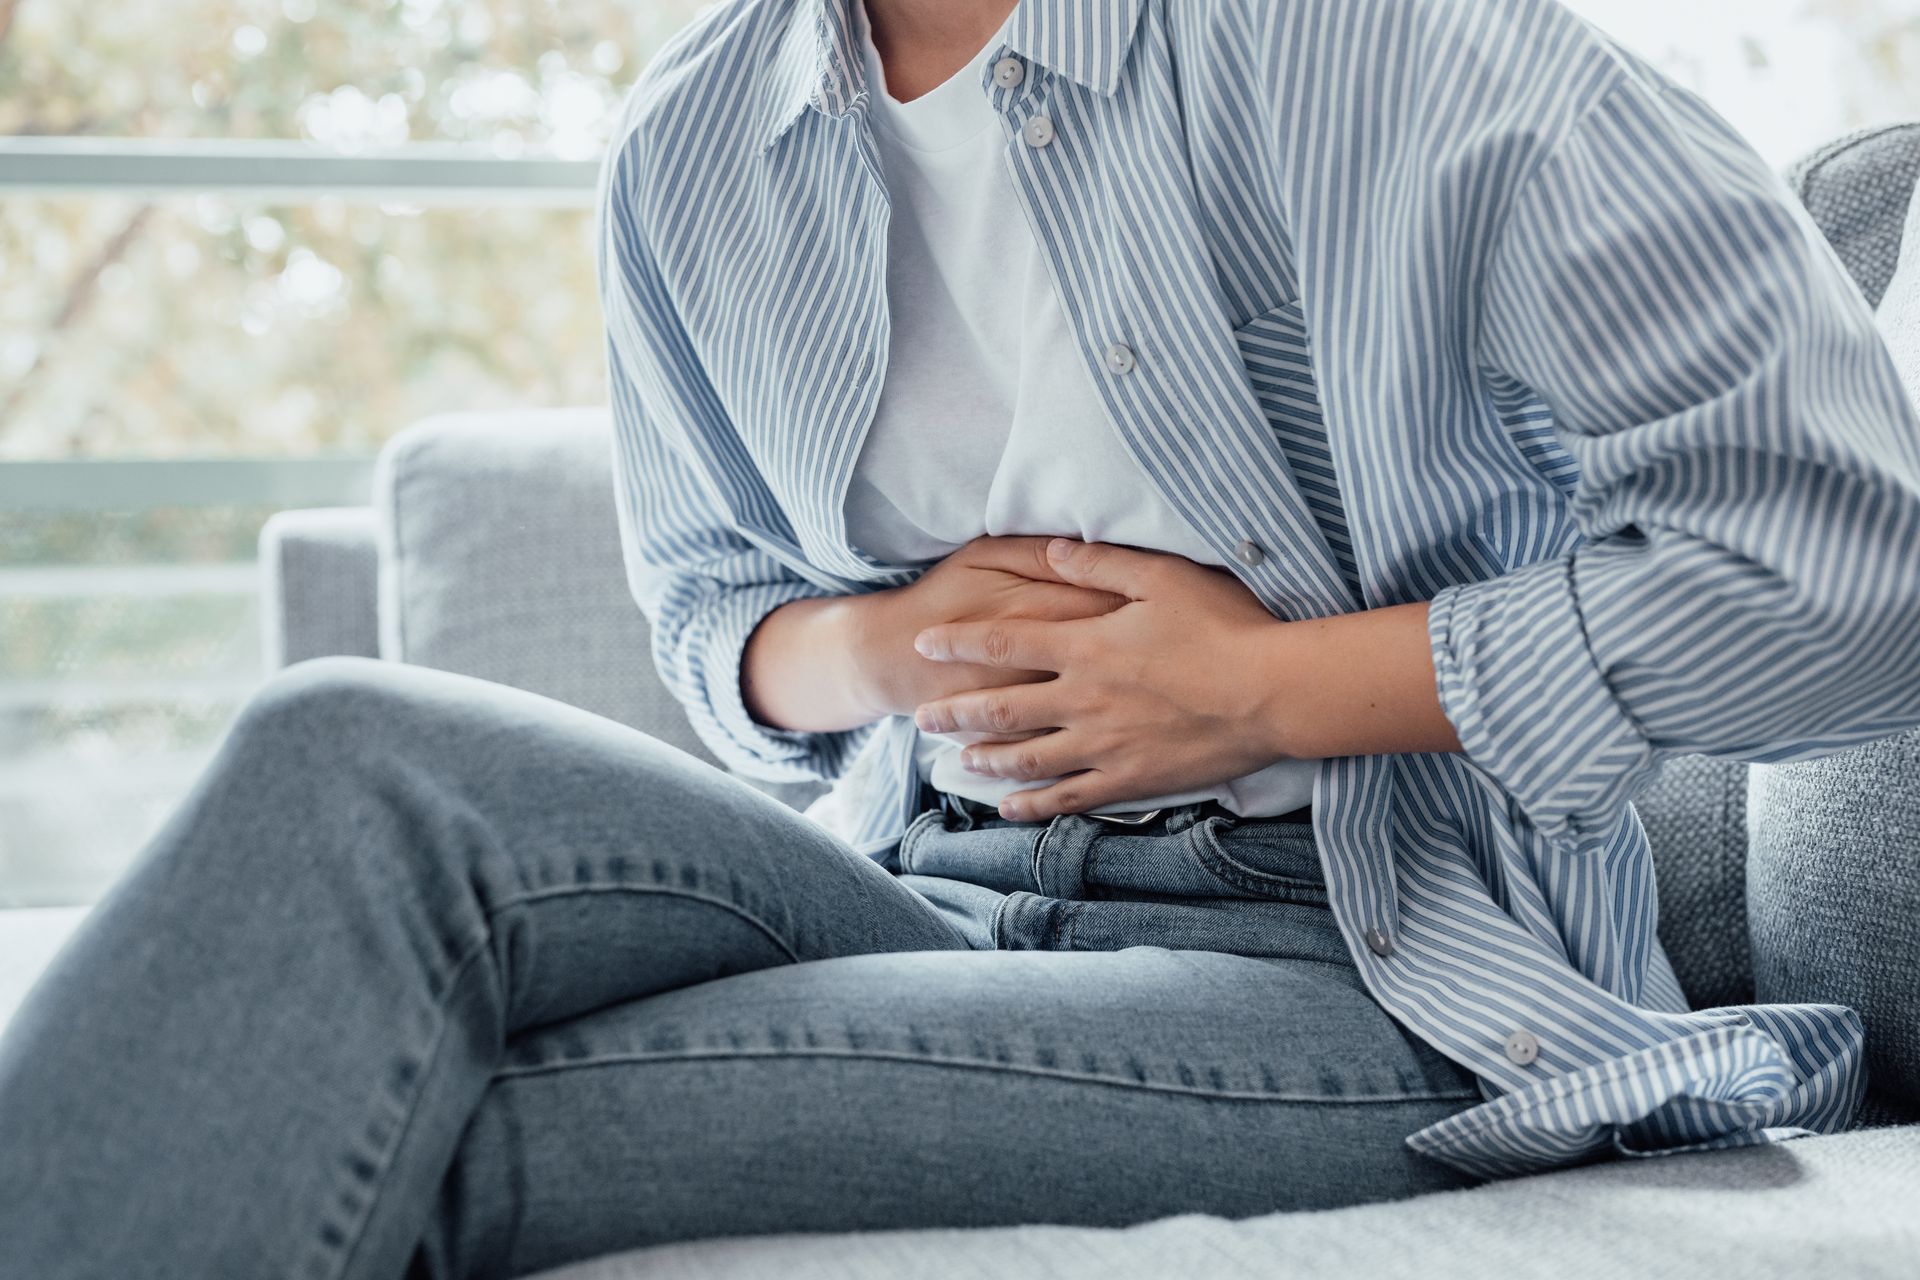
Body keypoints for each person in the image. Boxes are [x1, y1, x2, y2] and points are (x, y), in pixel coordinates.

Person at [4, 0, 1919, 1276]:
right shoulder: (691, 147)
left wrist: (1260, 689)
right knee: (348, 749)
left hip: (1361, 959)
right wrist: (888, 650)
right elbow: (709, 621)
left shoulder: (1416, 55)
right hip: (916, 872)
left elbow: (1849, 578)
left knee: (410, 1114)